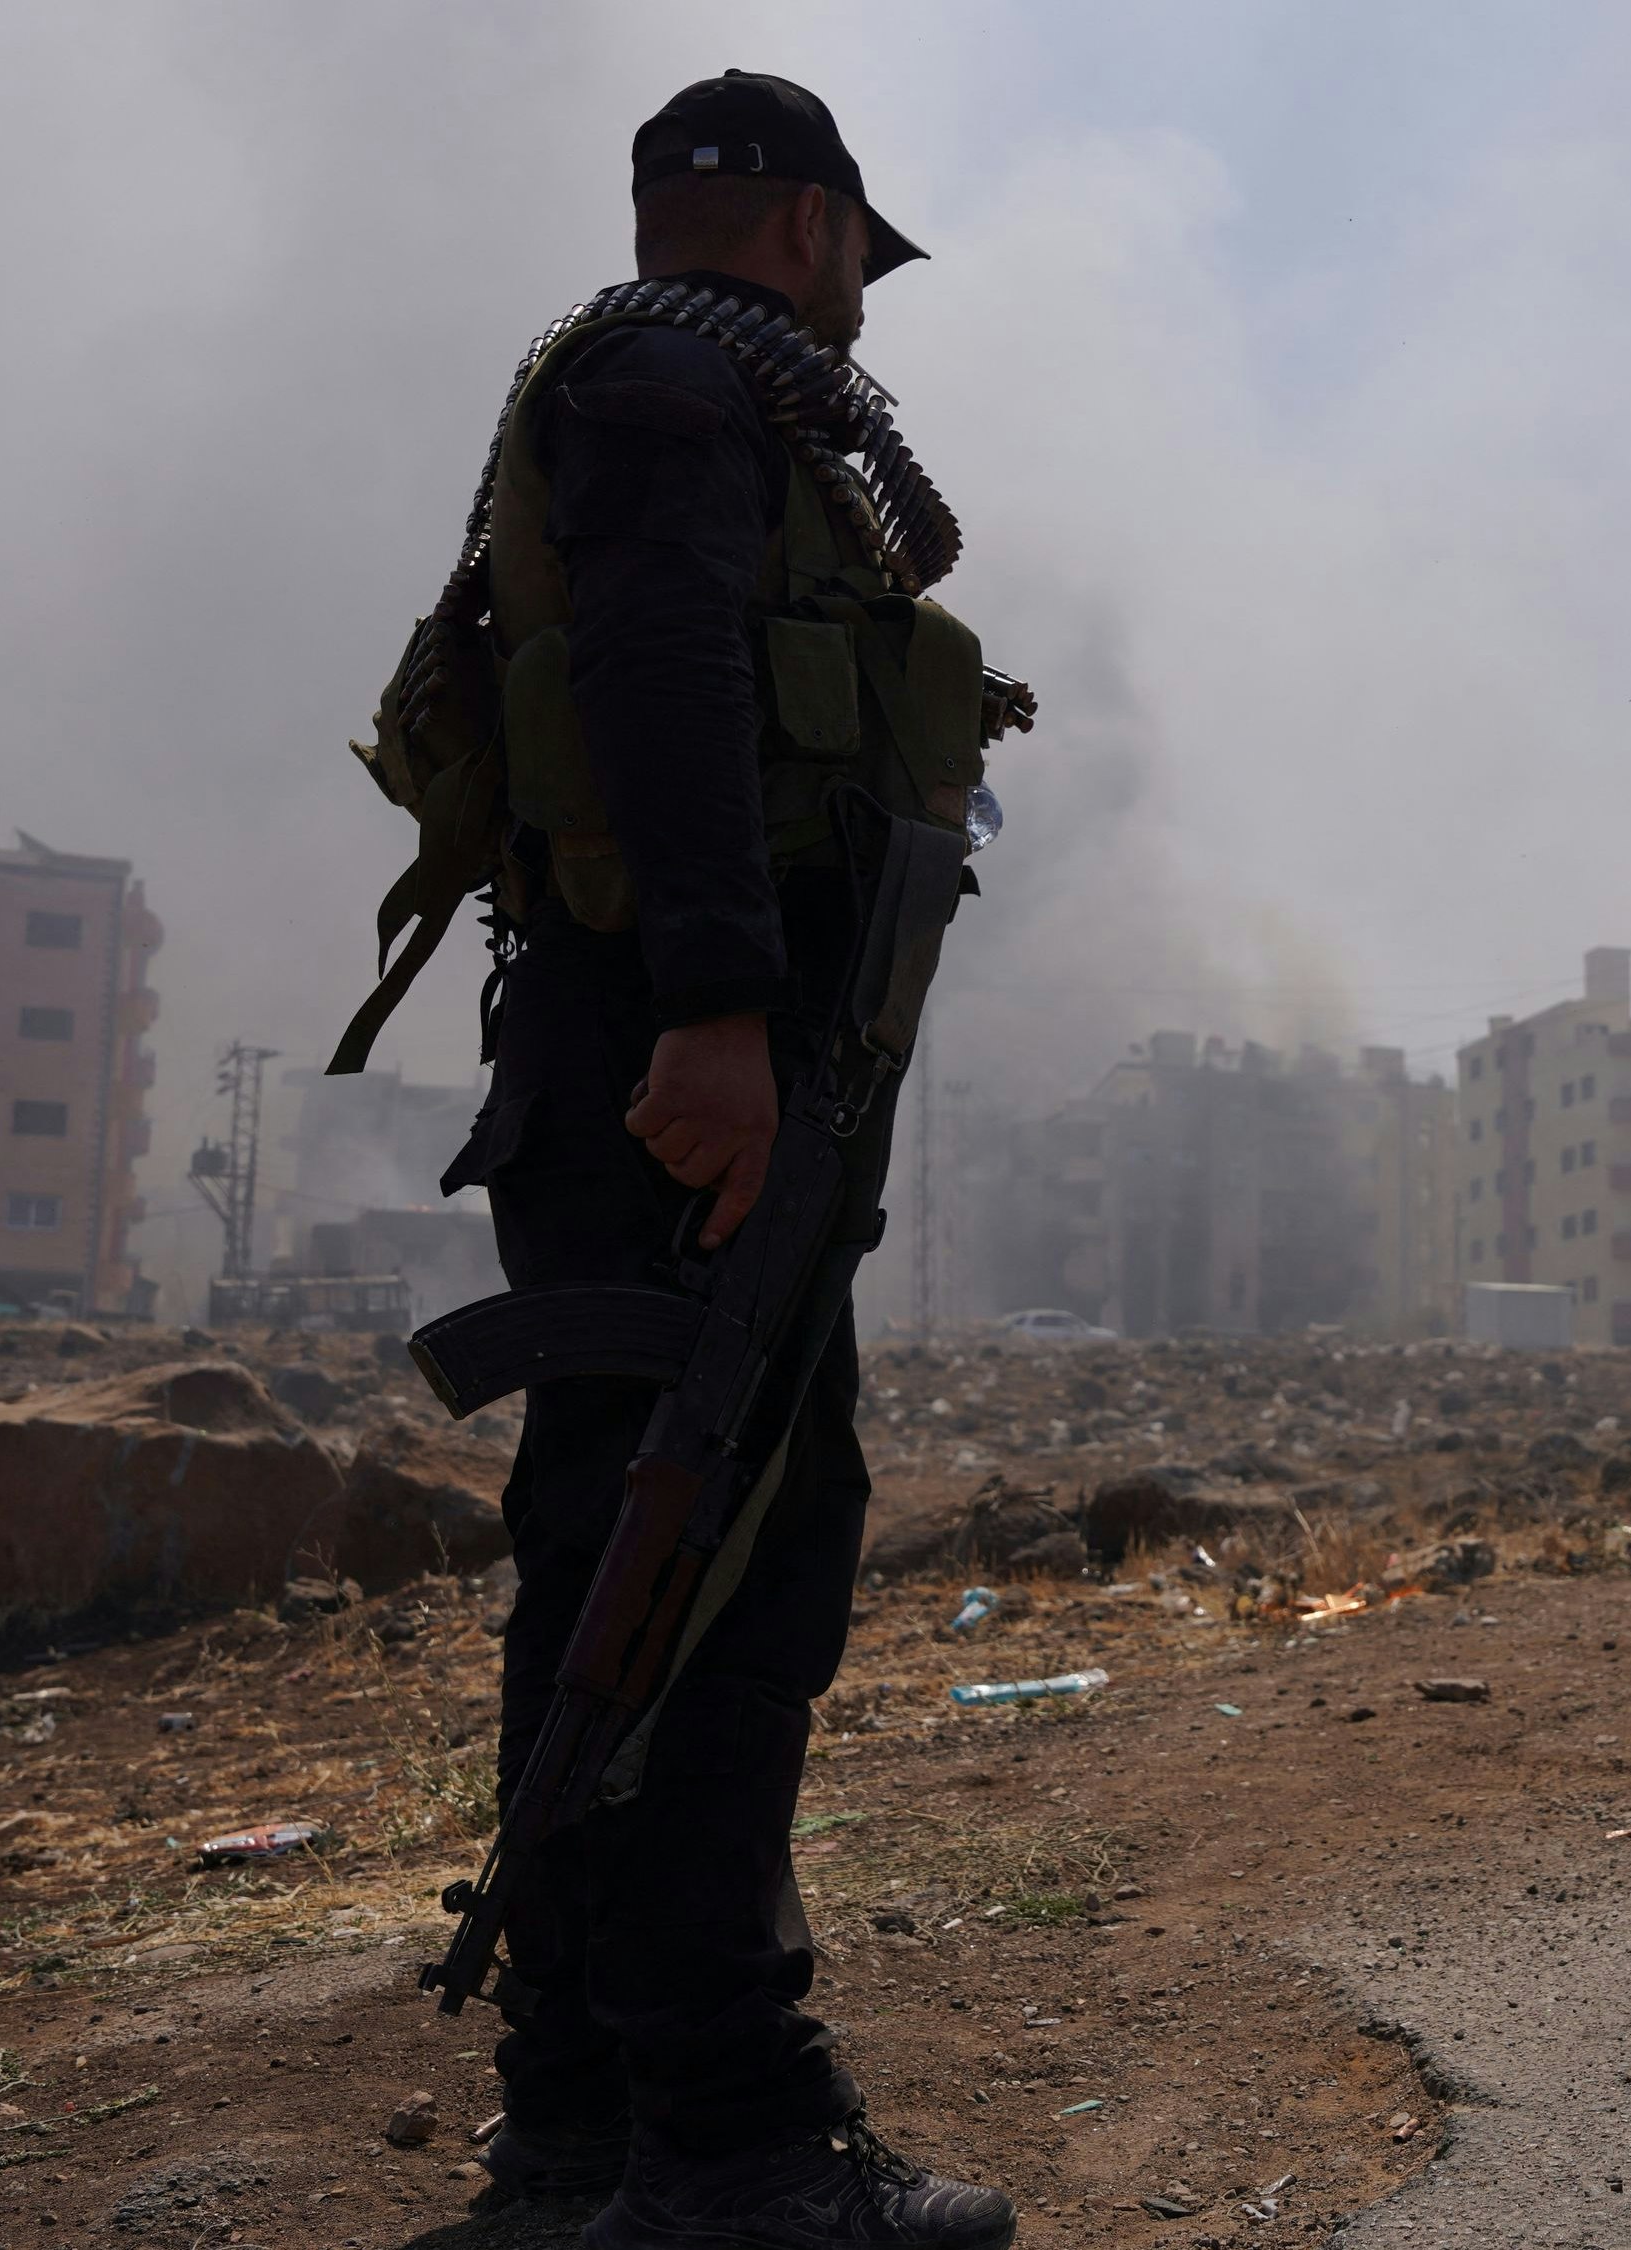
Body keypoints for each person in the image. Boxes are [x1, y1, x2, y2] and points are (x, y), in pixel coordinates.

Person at [430, 72, 1014, 2250]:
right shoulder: (681, 388)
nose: (862, 296)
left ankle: (577, 2112)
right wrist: (714, 1009)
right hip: (678, 1073)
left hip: (663, 1062)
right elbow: (669, 677)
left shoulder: (676, 392)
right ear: (799, 225)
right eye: (857, 249)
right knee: (719, 1569)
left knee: (624, 1554)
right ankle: (732, 2137)